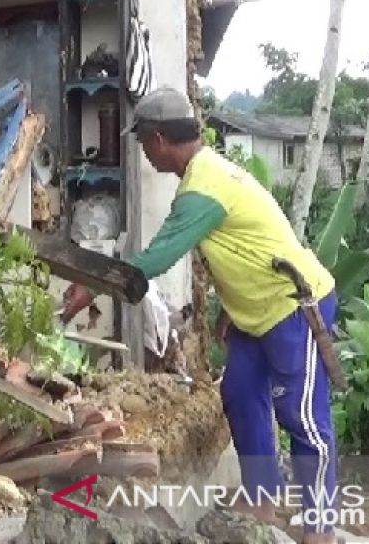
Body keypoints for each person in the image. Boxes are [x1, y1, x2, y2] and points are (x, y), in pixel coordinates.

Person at [62, 86, 339, 544]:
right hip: (255, 314)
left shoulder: (200, 190)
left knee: (303, 416)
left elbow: (152, 262)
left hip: (293, 307)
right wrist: (231, 308)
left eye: (143, 145)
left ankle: (322, 527)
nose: (146, 155)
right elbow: (244, 247)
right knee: (241, 391)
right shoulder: (209, 174)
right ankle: (262, 497)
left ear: (156, 140)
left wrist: (90, 286)